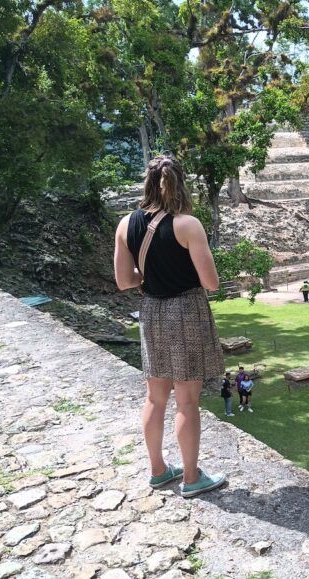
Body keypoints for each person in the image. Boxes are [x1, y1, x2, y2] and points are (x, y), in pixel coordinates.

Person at [114, 155, 225, 498]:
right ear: (181, 184)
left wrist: (153, 273)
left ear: (147, 183)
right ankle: (192, 478)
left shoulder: (125, 225)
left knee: (155, 397)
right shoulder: (187, 225)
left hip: (151, 312)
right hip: (186, 312)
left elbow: (124, 281)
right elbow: (211, 282)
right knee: (187, 402)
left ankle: (158, 470)